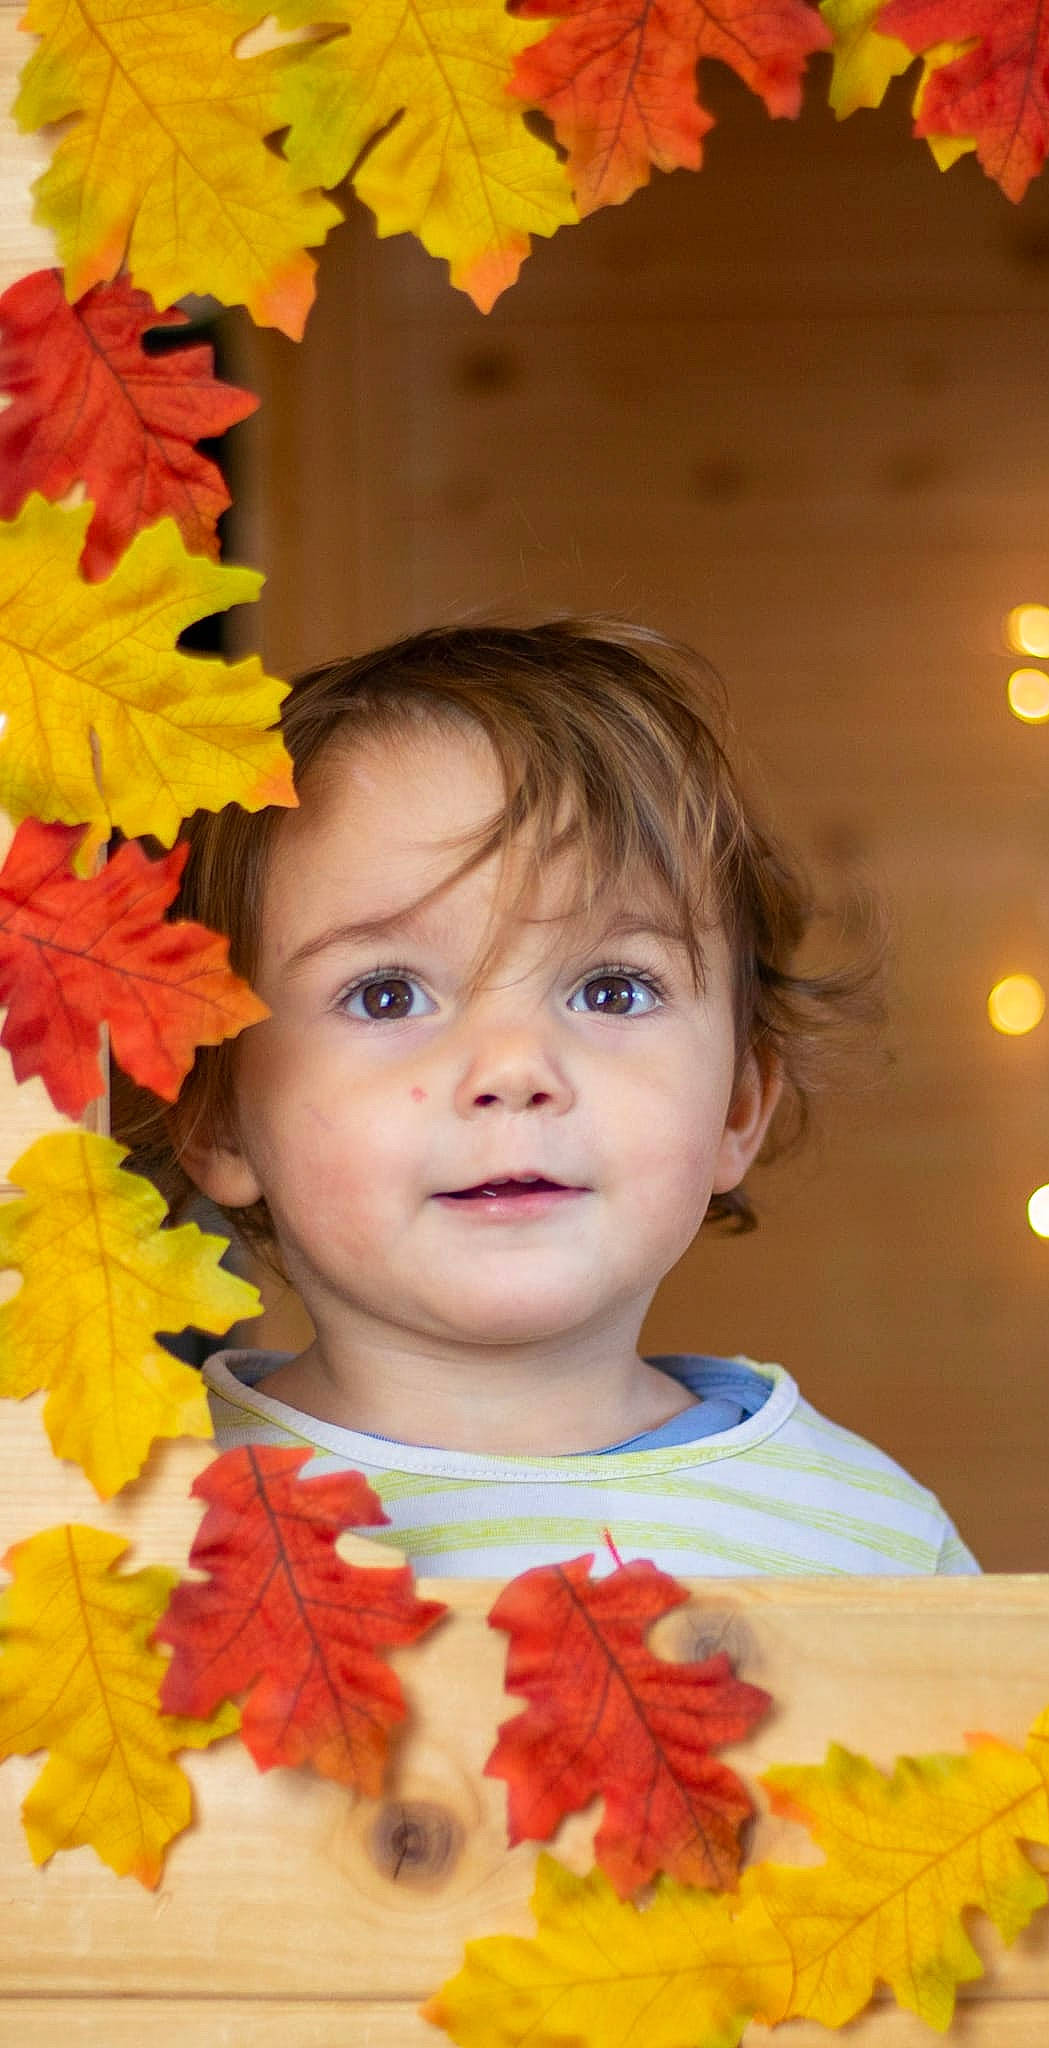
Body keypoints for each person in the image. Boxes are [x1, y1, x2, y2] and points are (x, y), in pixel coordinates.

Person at [122, 616, 977, 1577]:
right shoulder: (123, 1518)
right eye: (388, 993)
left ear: (739, 1106)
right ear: (218, 1119)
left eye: (612, 989)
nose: (514, 1069)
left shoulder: (872, 1540)